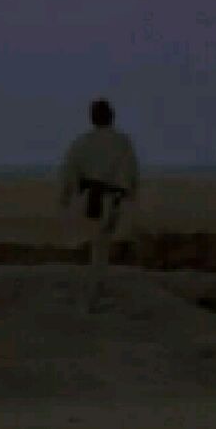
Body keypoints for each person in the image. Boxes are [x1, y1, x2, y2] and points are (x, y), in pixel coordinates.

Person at [59, 98, 140, 312]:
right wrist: (131, 196)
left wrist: (65, 199)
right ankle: (93, 296)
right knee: (100, 248)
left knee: (96, 246)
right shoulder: (122, 142)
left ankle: (92, 293)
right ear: (111, 116)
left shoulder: (81, 142)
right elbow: (131, 173)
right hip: (110, 201)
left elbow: (69, 172)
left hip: (87, 200)